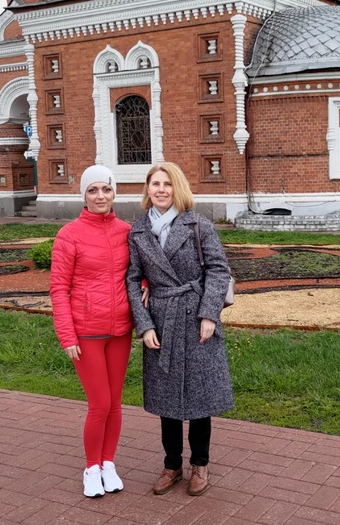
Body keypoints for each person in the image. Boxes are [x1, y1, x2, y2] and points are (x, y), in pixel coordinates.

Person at [126, 162, 234, 497]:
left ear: (178, 188)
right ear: (147, 189)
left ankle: (200, 464)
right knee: (166, 399)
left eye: (167, 184)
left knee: (200, 398)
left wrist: (209, 315)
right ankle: (172, 464)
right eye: (154, 184)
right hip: (160, 319)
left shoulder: (198, 224)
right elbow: (131, 279)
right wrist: (143, 325)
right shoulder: (139, 230)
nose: (160, 190)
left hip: (196, 317)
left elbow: (218, 270)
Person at [50, 165, 133, 498]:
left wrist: (141, 286)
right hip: (86, 333)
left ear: (115, 193)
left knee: (115, 404)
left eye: (106, 189)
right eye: (93, 190)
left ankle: (109, 464)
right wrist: (67, 336)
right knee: (99, 404)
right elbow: (58, 288)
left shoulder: (127, 230)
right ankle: (91, 468)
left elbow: (139, 271)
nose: (101, 196)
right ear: (83, 195)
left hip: (120, 331)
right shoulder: (69, 235)